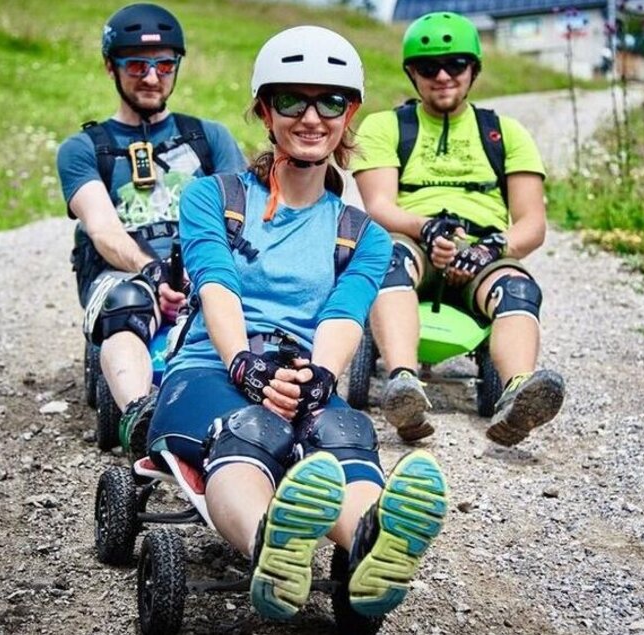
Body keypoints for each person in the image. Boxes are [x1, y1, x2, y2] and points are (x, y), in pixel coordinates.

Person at [145, 26, 449, 621]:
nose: (311, 117)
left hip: (301, 369)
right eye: (292, 100)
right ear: (264, 110)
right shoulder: (214, 197)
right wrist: (243, 364)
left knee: (345, 437)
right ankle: (271, 547)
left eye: (330, 101)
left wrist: (319, 380)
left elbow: (343, 316)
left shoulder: (364, 234)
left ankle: (372, 546)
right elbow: (215, 284)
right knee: (251, 428)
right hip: (210, 369)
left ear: (350, 114)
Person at [351, 11, 565, 446]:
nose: (443, 76)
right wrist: (425, 229)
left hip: (481, 249)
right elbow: (378, 205)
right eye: (429, 68)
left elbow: (533, 223)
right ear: (412, 73)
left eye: (456, 65)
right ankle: (403, 384)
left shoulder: (505, 134)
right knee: (386, 260)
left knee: (520, 289)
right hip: (412, 242)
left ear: (474, 70)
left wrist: (490, 248)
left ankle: (518, 391)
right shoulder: (385, 127)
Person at [56, 3, 247, 452]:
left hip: (201, 267)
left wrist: (205, 273)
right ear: (111, 67)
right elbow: (102, 231)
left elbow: (241, 217)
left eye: (164, 64)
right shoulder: (85, 148)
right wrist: (152, 272)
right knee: (125, 303)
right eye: (137, 65)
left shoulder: (209, 137)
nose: (151, 76)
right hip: (125, 275)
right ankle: (140, 414)